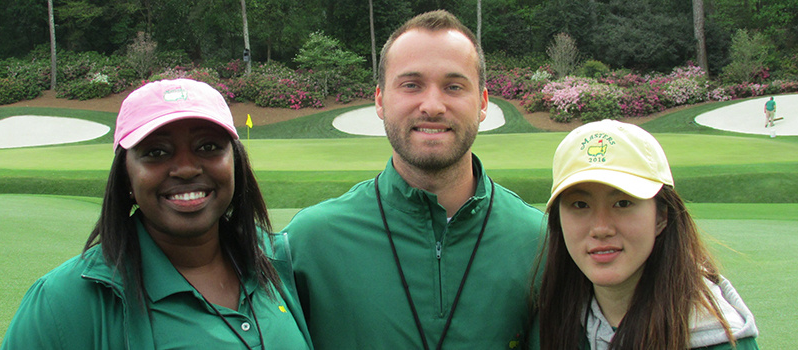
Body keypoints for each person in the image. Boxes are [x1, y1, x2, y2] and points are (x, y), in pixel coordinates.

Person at [281, 10, 543, 349]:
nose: (432, 106)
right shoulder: (308, 244)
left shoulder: (540, 242)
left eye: (453, 86)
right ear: (380, 100)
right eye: (411, 85)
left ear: (482, 103)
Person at [1, 79, 312, 350]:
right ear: (126, 177)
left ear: (236, 163)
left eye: (208, 146)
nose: (187, 168)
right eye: (156, 152)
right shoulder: (62, 302)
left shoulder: (277, 260)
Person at [536, 119, 759, 349]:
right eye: (580, 205)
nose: (601, 228)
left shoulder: (722, 342)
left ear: (661, 216)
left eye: (622, 203)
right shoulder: (551, 316)